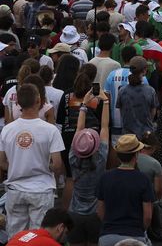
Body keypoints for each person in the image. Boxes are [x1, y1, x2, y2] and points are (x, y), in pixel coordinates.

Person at [0, 83, 65, 235]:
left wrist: (18, 165)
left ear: (17, 103)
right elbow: (57, 165)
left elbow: (2, 163)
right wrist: (45, 167)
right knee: (39, 236)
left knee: (16, 236)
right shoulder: (51, 130)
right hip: (41, 189)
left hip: (15, 188)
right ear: (39, 101)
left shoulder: (7, 130)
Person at [68, 87, 111, 246]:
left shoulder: (73, 157)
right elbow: (105, 127)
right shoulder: (101, 158)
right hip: (96, 214)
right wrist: (105, 101)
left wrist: (83, 106)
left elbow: (79, 129)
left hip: (74, 213)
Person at [96, 134, 156, 246]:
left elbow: (100, 211)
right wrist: (140, 229)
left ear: (118, 155)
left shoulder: (105, 177)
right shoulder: (143, 179)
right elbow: (147, 216)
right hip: (135, 236)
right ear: (136, 155)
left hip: (108, 236)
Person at [8, 208, 74, 246]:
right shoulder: (51, 244)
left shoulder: (22, 234)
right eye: (66, 233)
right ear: (60, 227)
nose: (64, 238)